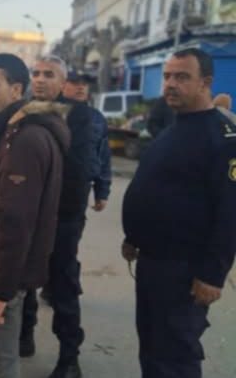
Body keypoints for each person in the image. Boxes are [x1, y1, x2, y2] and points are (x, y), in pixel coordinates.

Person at [122, 48, 236, 378]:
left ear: (205, 83)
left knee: (175, 356)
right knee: (152, 348)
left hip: (184, 270)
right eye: (168, 76)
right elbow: (156, 188)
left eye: (182, 77)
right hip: (152, 262)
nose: (170, 84)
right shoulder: (175, 128)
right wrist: (134, 237)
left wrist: (212, 274)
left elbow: (230, 213)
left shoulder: (222, 139)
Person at [0, 53, 70, 378]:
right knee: (3, 356)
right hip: (5, 270)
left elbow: (16, 222)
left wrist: (0, 291)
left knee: (3, 360)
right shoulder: (14, 131)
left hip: (3, 273)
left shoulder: (25, 138)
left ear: (16, 89)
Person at [20, 55, 96, 378]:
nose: (40, 79)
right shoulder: (25, 112)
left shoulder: (80, 117)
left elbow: (79, 172)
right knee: (23, 281)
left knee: (62, 286)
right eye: (36, 73)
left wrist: (62, 214)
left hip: (61, 218)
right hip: (28, 215)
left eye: (48, 74)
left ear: (63, 82)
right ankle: (25, 334)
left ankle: (69, 357)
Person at [62, 71, 112, 214]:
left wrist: (102, 192)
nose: (81, 87)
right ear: (62, 85)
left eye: (84, 84)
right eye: (75, 83)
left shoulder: (96, 118)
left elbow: (102, 155)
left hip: (80, 189)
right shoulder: (54, 113)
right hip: (54, 185)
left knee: (73, 226)